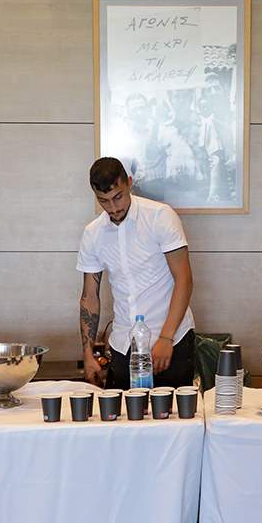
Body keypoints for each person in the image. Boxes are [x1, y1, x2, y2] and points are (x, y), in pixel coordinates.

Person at [77, 157, 196, 389]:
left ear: (129, 183)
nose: (113, 208)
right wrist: (88, 355)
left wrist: (166, 338)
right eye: (103, 201)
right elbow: (89, 297)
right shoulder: (93, 233)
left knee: (173, 411)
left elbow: (184, 280)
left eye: (118, 197)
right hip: (124, 345)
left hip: (171, 340)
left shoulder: (159, 216)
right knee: (127, 411)